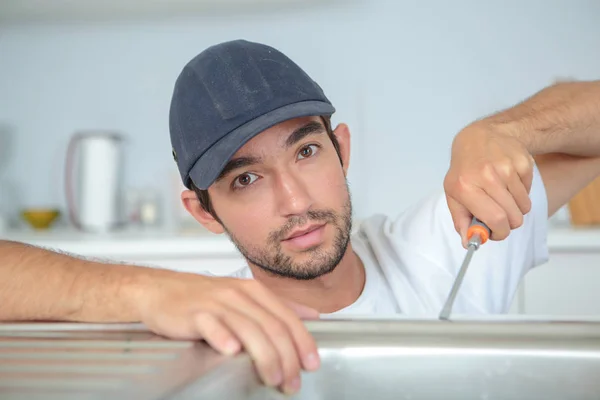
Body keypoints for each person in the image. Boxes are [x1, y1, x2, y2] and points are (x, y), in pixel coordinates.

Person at [1, 39, 599, 395]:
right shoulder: (216, 330)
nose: (293, 200)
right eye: (246, 179)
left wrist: (499, 131)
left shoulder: (449, 242)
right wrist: (141, 289)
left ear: (341, 148)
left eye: (306, 151)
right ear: (203, 211)